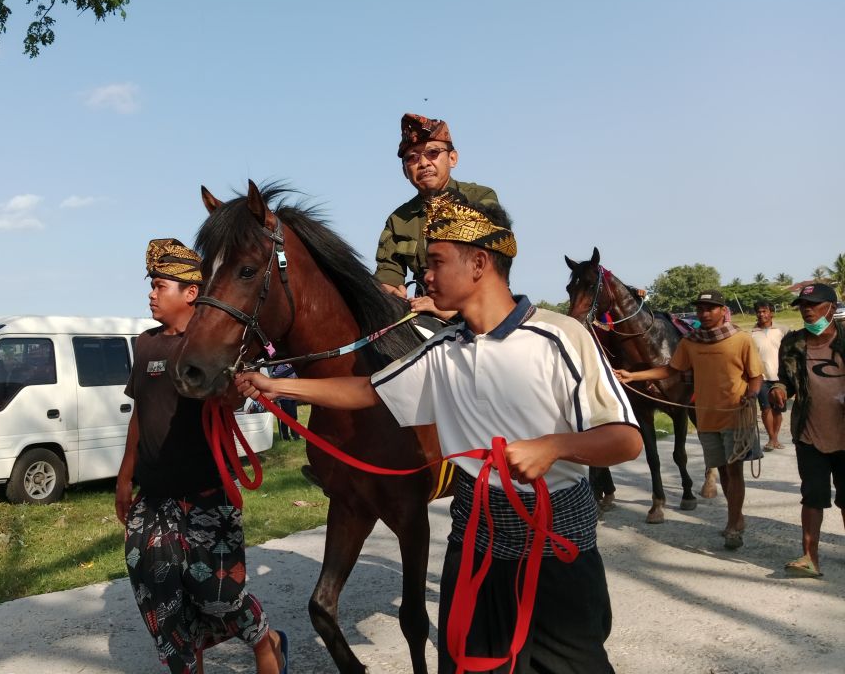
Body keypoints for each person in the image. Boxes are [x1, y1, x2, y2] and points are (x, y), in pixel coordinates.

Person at [237, 195, 641, 674]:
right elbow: (370, 390)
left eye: (435, 262)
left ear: (479, 263)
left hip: (554, 547)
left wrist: (556, 446)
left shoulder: (560, 337)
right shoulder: (443, 349)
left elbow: (625, 439)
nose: (424, 276)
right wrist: (275, 383)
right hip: (473, 545)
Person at [116, 238, 287, 674]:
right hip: (153, 498)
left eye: (159, 285)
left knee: (220, 597)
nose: (151, 294)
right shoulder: (146, 344)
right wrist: (124, 476)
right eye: (151, 286)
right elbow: (140, 412)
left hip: (208, 493)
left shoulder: (214, 346)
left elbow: (230, 400)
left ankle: (266, 641)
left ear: (191, 292)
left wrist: (235, 384)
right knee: (160, 603)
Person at [616, 289, 763, 550]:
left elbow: (755, 376)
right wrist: (632, 376)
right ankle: (736, 516)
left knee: (734, 471)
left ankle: (732, 524)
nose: (704, 314)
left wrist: (751, 396)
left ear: (722, 310)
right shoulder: (691, 342)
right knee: (726, 473)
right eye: (700, 309)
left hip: (735, 415)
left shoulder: (741, 339)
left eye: (710, 309)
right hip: (706, 418)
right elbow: (670, 369)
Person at [375, 113, 500, 318]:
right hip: (424, 311)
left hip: (482, 308)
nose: (423, 163)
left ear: (452, 158)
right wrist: (391, 294)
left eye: (432, 153)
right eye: (412, 158)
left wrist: (447, 307)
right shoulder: (399, 220)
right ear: (405, 171)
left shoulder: (480, 198)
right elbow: (387, 275)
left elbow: (489, 261)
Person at [768, 283, 845, 578]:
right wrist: (778, 389)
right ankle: (809, 558)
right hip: (810, 433)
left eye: (813, 304)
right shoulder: (793, 343)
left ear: (831, 307)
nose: (807, 310)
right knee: (812, 496)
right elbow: (785, 380)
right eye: (802, 305)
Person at [750, 300, 788, 451]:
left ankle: (776, 437)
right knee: (766, 409)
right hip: (762, 377)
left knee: (778, 409)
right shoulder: (752, 334)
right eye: (759, 312)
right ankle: (772, 439)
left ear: (771, 313)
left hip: (780, 378)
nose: (761, 314)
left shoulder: (783, 330)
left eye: (764, 311)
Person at [269, 363, 300, 441]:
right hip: (284, 397)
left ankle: (295, 435)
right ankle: (286, 437)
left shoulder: (292, 366)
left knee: (294, 416)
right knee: (286, 417)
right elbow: (277, 380)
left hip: (293, 396)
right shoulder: (280, 367)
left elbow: (296, 379)